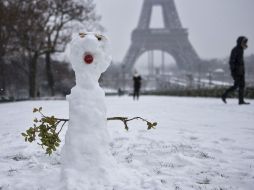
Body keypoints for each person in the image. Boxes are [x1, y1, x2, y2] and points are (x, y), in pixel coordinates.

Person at [221, 36, 250, 105]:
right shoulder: (235, 50)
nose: (245, 44)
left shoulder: (241, 50)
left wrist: (243, 70)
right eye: (244, 42)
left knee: (242, 86)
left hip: (241, 71)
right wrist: (233, 72)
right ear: (240, 42)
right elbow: (231, 62)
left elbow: (241, 62)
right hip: (236, 72)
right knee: (236, 86)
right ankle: (224, 95)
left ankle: (241, 101)